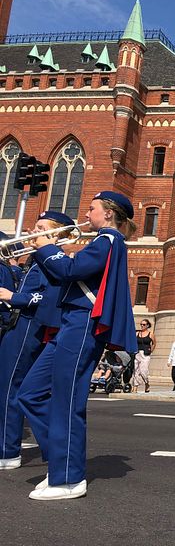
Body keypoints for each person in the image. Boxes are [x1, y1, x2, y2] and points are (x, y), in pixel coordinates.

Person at [19, 191, 137, 500]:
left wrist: (45, 246)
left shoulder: (107, 241)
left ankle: (69, 478)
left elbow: (70, 271)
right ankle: (60, 460)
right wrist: (48, 251)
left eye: (92, 208)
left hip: (82, 324)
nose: (87, 213)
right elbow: (64, 274)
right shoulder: (97, 243)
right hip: (69, 324)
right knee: (29, 393)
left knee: (67, 401)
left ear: (108, 214)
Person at [0, 211, 70, 471]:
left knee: (11, 389)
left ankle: (7, 451)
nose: (32, 231)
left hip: (30, 326)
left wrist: (12, 296)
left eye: (40, 227)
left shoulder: (50, 261)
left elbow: (46, 298)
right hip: (21, 324)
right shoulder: (37, 260)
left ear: (56, 234)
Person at [133, 318, 155, 393]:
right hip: (137, 353)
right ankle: (135, 387)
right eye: (141, 324)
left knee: (143, 371)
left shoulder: (151, 334)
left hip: (145, 355)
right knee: (136, 370)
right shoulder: (137, 333)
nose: (142, 326)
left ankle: (147, 383)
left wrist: (150, 351)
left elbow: (154, 343)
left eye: (144, 324)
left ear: (147, 325)